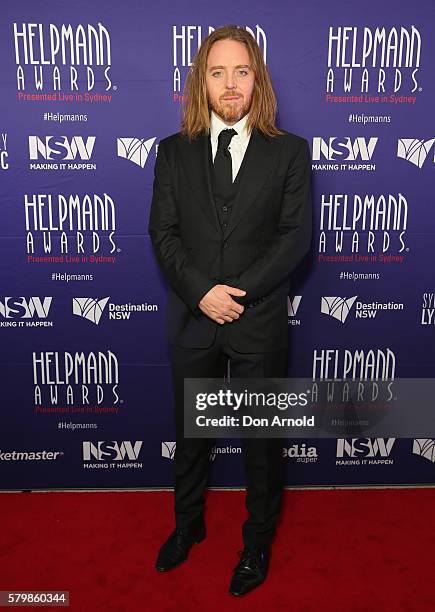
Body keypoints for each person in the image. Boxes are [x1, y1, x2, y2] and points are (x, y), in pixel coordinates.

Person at [148, 24, 312, 596]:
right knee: (192, 436)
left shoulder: (289, 151)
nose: (231, 83)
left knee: (261, 445)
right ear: (201, 81)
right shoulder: (172, 153)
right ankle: (187, 528)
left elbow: (295, 239)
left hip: (259, 320)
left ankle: (257, 542)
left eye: (241, 71)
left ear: (257, 78)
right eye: (217, 72)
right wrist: (202, 293)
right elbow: (162, 234)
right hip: (194, 320)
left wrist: (234, 293)